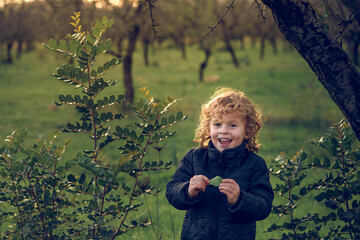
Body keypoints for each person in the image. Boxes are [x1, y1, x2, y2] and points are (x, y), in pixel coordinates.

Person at [166, 87, 274, 240]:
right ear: (208, 128)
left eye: (233, 125)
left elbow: (263, 206)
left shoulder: (254, 165)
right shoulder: (194, 158)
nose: (224, 131)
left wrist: (239, 198)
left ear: (247, 131)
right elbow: (171, 191)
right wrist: (188, 190)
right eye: (217, 124)